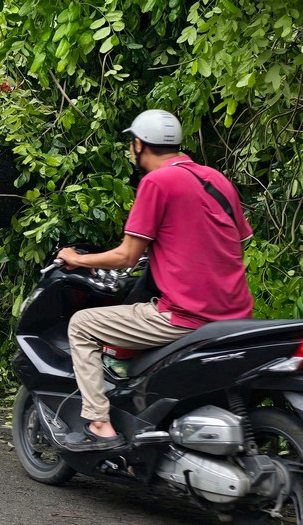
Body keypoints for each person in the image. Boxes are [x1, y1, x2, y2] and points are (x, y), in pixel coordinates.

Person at [56, 109, 253, 451]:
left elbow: (126, 256)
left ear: (138, 144)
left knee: (81, 325)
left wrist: (77, 259)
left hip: (187, 315)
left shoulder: (157, 182)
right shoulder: (218, 179)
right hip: (235, 315)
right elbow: (234, 242)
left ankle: (99, 423)